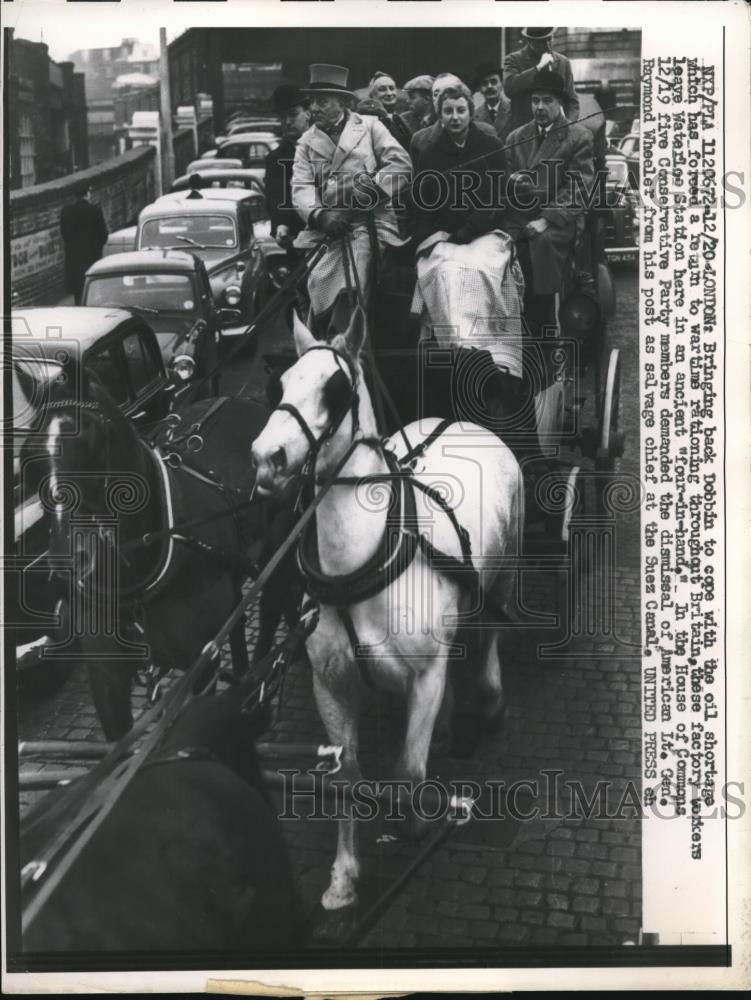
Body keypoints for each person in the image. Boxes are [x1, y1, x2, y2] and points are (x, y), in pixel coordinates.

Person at [411, 83, 532, 450]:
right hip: (448, 235)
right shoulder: (430, 153)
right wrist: (436, 234)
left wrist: (465, 231)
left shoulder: (492, 147)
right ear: (440, 114)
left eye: (461, 110)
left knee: (483, 267)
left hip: (483, 230)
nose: (455, 118)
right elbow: (424, 204)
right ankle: (456, 348)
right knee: (443, 270)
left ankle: (492, 351)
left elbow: (495, 198)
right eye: (447, 111)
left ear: (470, 110)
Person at [292, 64, 411, 337]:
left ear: (343, 102)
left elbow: (401, 164)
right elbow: (301, 188)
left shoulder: (370, 127)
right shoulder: (305, 142)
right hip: (329, 228)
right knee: (316, 276)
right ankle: (321, 336)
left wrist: (373, 191)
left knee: (359, 265)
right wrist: (321, 216)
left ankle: (346, 337)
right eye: (312, 101)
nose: (315, 108)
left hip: (372, 221)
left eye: (322, 101)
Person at [503, 70, 594, 334]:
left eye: (547, 101)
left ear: (560, 103)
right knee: (498, 247)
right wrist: (513, 185)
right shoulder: (515, 138)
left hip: (559, 220)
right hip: (519, 217)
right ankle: (507, 325)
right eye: (535, 101)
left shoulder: (578, 137)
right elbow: (504, 183)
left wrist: (545, 219)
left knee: (540, 246)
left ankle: (546, 323)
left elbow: (578, 189)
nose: (540, 107)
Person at [503, 27, 580, 133]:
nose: (548, 45)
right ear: (529, 41)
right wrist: (538, 68)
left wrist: (569, 124)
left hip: (558, 132)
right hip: (526, 133)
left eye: (550, 39)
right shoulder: (514, 60)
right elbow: (509, 88)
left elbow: (571, 99)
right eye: (542, 42)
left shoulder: (563, 62)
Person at [264, 84, 311, 250]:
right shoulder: (275, 159)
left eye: (293, 114)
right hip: (297, 239)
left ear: (308, 113)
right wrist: (281, 225)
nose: (288, 121)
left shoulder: (327, 147)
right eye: (282, 117)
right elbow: (277, 196)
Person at [410, 73, 497, 160]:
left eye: (452, 92)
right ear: (432, 99)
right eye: (436, 94)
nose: (444, 98)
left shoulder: (487, 132)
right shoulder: (420, 140)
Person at [60, 182, 108, 304]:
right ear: (87, 193)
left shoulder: (66, 212)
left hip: (74, 260)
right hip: (92, 258)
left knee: (78, 292)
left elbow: (65, 235)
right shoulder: (95, 211)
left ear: (75, 196)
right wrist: (96, 248)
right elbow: (103, 235)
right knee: (92, 290)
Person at [369, 71, 412, 150]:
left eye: (392, 88)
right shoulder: (370, 121)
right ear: (372, 96)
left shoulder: (399, 119)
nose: (389, 93)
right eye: (382, 89)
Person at [473, 62, 512, 143]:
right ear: (480, 89)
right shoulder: (474, 116)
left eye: (493, 82)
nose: (489, 86)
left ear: (501, 84)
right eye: (484, 83)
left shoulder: (514, 110)